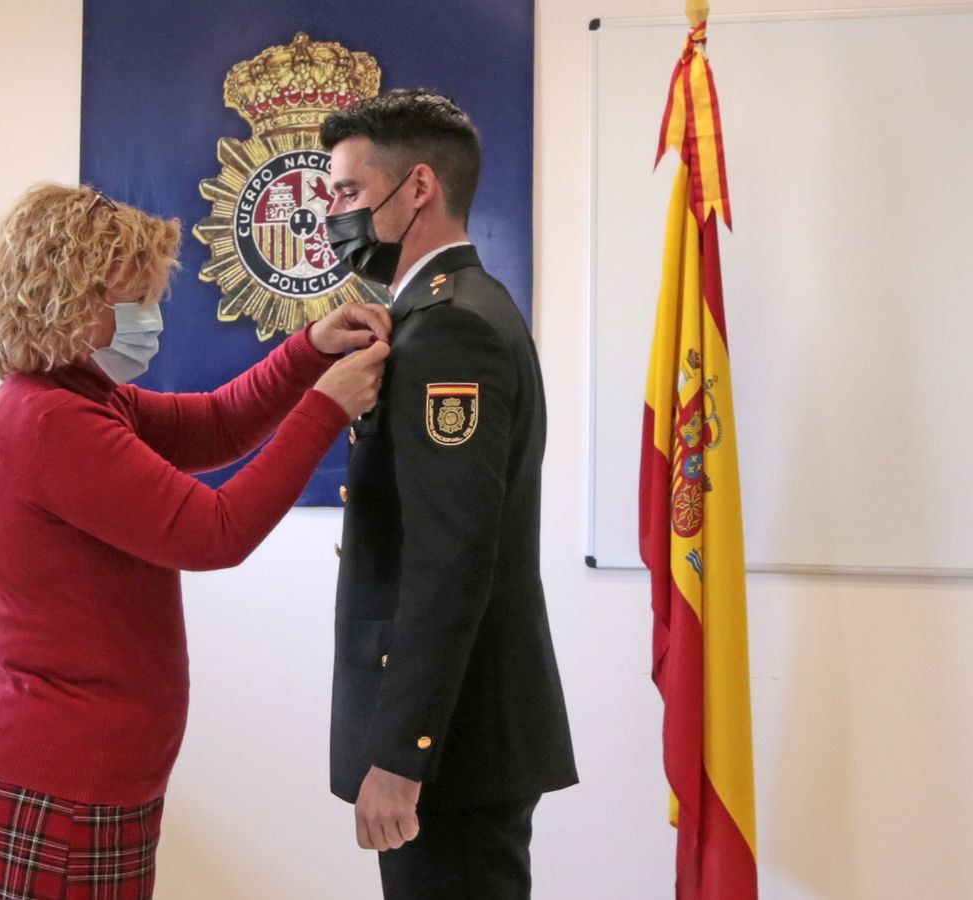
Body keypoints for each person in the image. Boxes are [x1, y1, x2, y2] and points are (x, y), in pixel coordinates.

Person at [0, 183, 390, 900]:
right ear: (67, 300)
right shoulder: (51, 420)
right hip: (61, 788)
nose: (150, 319)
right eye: (133, 301)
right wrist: (326, 408)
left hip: (89, 781)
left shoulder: (84, 398)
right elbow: (215, 532)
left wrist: (309, 352)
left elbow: (214, 424)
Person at [321, 90, 578, 899]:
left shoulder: (450, 330)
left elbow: (450, 556)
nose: (332, 214)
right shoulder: (448, 311)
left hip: (452, 748)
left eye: (349, 192)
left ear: (419, 187)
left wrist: (403, 755)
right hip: (463, 734)